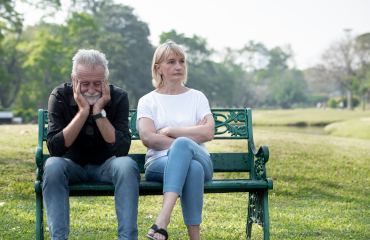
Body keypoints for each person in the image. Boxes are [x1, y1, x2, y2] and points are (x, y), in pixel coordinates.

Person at [44, 49, 140, 240]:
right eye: (84, 84)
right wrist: (82, 112)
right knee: (52, 165)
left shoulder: (119, 96)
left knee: (127, 165)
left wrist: (97, 112)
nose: (91, 90)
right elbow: (55, 149)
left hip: (107, 165)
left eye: (97, 84)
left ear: (105, 79)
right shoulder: (60, 95)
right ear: (74, 79)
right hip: (71, 166)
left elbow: (122, 150)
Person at [137, 40, 215, 240]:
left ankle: (163, 219)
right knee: (192, 167)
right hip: (158, 164)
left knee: (186, 151)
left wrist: (171, 130)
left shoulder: (197, 97)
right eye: (171, 62)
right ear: (158, 68)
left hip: (201, 159)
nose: (178, 66)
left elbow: (208, 133)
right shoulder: (148, 101)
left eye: (182, 61)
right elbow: (148, 138)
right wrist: (189, 139)